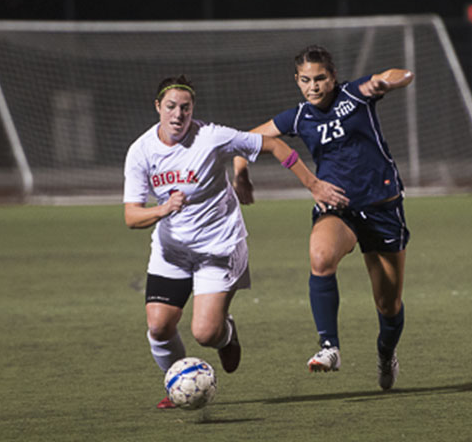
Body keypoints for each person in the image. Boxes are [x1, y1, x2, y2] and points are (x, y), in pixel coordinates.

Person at [124, 75, 346, 408]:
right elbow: (131, 217)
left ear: (192, 109)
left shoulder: (213, 137)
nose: (178, 115)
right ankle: (177, 385)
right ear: (158, 107)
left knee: (205, 333)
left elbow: (274, 144)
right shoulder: (141, 151)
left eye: (185, 107)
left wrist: (311, 184)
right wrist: (164, 209)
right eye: (171, 106)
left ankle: (226, 333)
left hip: (219, 247)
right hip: (172, 251)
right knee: (158, 326)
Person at [233, 45, 414, 390]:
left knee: (388, 304)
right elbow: (247, 140)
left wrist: (387, 82)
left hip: (382, 207)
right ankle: (329, 347)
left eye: (319, 79)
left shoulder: (355, 94)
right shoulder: (299, 117)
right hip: (338, 206)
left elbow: (398, 75)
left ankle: (385, 354)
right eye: (306, 80)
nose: (313, 86)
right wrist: (241, 171)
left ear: (332, 78)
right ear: (297, 81)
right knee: (320, 256)